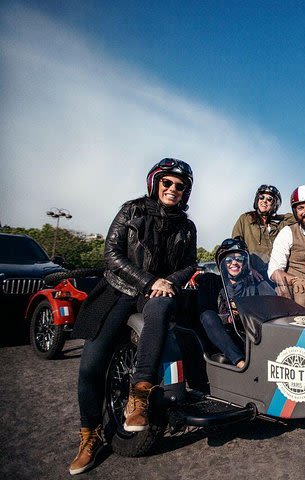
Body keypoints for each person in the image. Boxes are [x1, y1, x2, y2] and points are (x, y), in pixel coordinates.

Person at [68, 158, 197, 475]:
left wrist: (167, 283)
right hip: (119, 289)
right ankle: (91, 435)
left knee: (162, 308)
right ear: (156, 182)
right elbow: (111, 254)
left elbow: (190, 264)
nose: (173, 189)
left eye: (180, 186)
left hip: (156, 295)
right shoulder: (132, 210)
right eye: (167, 183)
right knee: (92, 364)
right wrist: (150, 280)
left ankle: (139, 394)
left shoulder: (187, 226)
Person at [197, 238, 275, 369]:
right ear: (221, 262)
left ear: (245, 262)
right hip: (223, 336)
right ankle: (240, 363)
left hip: (250, 335)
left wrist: (246, 311)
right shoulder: (211, 282)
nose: (234, 263)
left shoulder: (256, 281)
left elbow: (273, 304)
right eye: (228, 260)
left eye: (239, 259)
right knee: (207, 316)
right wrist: (228, 317)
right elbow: (204, 311)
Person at [230, 185, 295, 283]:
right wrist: (249, 268)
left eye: (269, 199)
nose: (264, 201)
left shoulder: (277, 225)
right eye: (261, 197)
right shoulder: (246, 219)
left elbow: (296, 218)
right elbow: (236, 248)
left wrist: (274, 214)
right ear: (257, 200)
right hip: (253, 275)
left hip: (274, 275)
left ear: (275, 204)